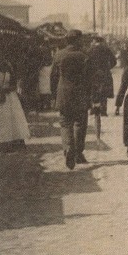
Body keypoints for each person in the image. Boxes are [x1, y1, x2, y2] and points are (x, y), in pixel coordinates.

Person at [50, 30, 91, 169]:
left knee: (65, 124)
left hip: (63, 95)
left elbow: (53, 77)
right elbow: (90, 78)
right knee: (80, 124)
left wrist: (53, 95)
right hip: (80, 94)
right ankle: (78, 153)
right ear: (78, 40)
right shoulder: (84, 55)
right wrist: (91, 96)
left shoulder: (58, 55)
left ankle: (68, 148)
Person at [0, 58, 31, 151]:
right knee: (11, 120)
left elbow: (14, 84)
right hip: (9, 97)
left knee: (7, 120)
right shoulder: (8, 66)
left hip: (7, 96)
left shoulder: (8, 65)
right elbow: (14, 84)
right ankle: (11, 142)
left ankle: (6, 142)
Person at [87, 35, 117, 117]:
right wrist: (107, 68)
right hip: (104, 73)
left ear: (95, 41)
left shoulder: (90, 50)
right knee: (104, 92)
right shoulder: (106, 49)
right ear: (101, 41)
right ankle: (103, 110)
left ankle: (93, 109)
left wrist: (91, 70)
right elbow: (114, 61)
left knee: (94, 91)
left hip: (94, 74)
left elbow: (87, 62)